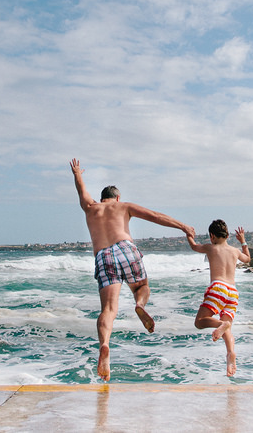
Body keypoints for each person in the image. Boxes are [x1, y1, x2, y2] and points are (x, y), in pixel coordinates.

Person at [70, 158, 195, 382]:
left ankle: (105, 345)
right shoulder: (123, 206)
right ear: (117, 198)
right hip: (125, 248)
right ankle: (139, 304)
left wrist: (77, 173)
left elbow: (81, 189)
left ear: (101, 199)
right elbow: (156, 216)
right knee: (142, 286)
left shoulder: (90, 208)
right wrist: (183, 226)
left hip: (103, 256)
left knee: (108, 309)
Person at [185, 219, 250, 377]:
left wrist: (188, 234)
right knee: (227, 328)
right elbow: (247, 259)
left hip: (218, 288)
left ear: (212, 236)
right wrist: (243, 242)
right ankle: (230, 354)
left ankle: (222, 324)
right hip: (233, 292)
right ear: (228, 235)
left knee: (199, 322)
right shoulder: (235, 251)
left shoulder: (210, 248)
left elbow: (194, 246)